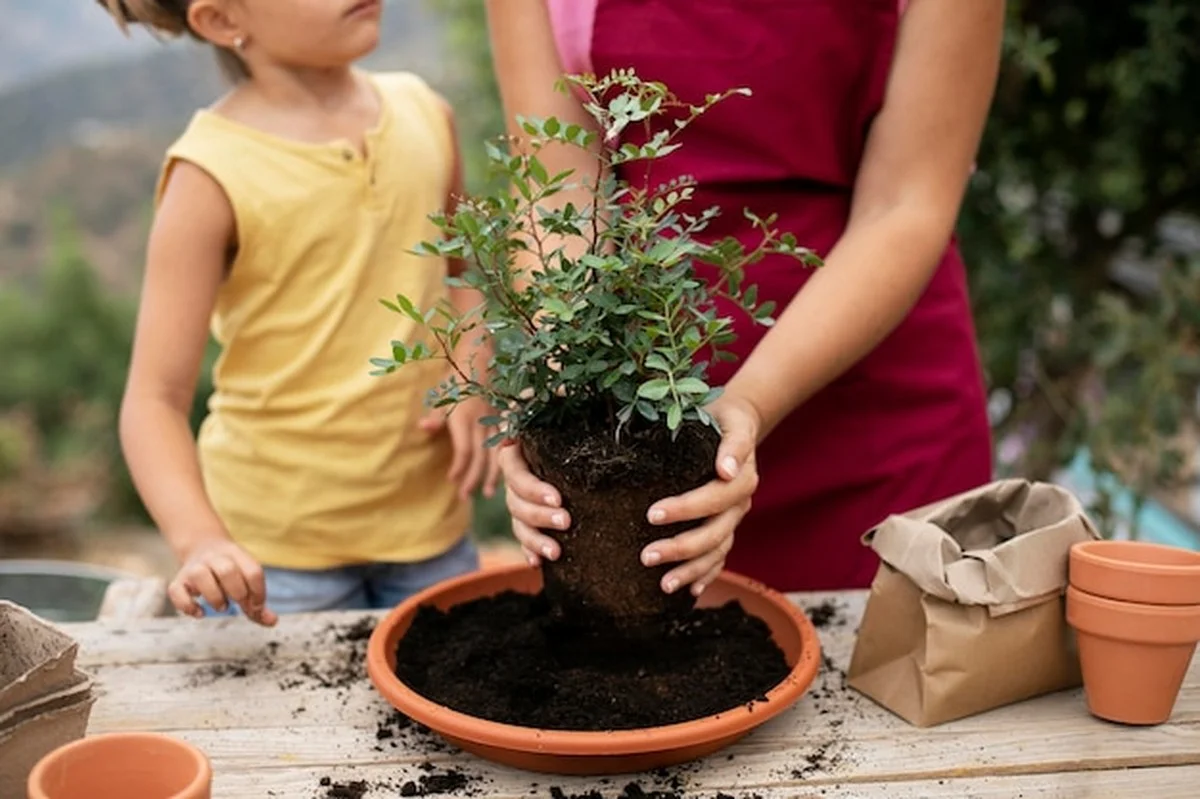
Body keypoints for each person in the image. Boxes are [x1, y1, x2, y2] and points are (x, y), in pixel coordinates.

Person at [487, 0, 1003, 595]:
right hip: (644, 434)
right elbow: (559, 194)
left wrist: (749, 405)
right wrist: (559, 392)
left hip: (878, 431)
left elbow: (903, 206)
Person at [103, 0, 499, 625]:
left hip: (433, 533)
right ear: (223, 21)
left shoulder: (426, 112)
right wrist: (201, 542)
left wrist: (474, 369)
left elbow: (460, 269)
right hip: (273, 564)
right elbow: (154, 401)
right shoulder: (208, 174)